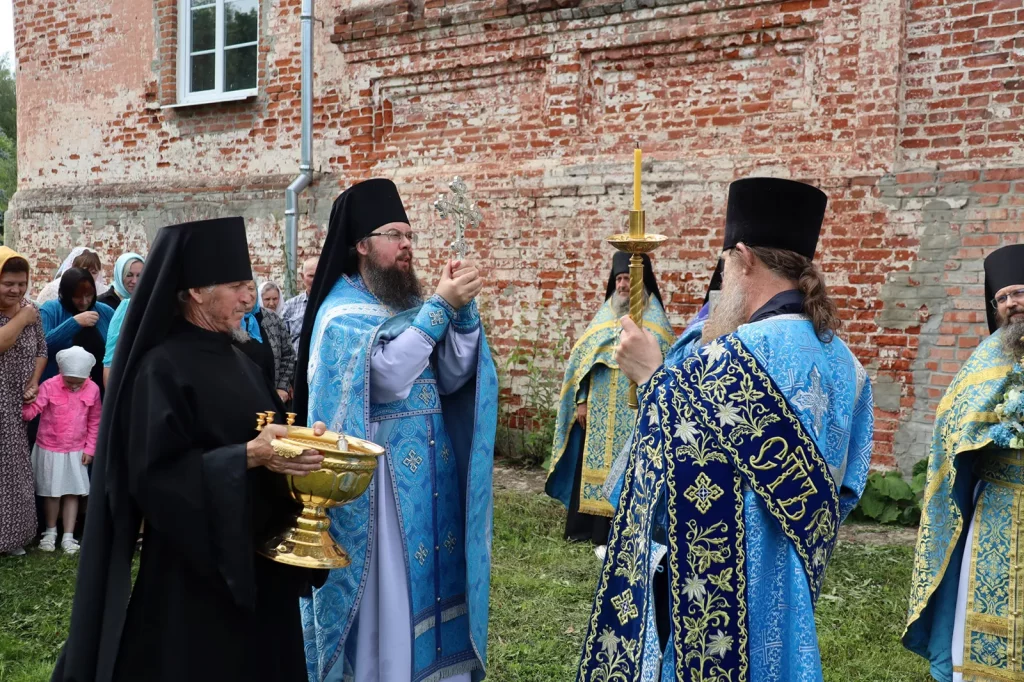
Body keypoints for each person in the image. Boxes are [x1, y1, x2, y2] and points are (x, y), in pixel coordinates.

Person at [576, 177, 875, 681]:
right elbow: (848, 482)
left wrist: (653, 377)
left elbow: (672, 467)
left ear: (743, 257)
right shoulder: (847, 363)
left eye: (726, 261)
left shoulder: (728, 357)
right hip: (794, 574)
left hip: (721, 582)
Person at [51, 217, 329, 682]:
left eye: (251, 285)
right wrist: (247, 457)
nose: (249, 298)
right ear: (197, 291)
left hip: (259, 568)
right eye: (238, 286)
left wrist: (298, 451)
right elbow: (152, 478)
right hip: (194, 582)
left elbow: (264, 437)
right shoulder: (160, 369)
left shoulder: (243, 358)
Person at [294, 179, 499, 682]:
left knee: (436, 587)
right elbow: (388, 377)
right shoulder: (340, 315)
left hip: (434, 476)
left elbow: (450, 375)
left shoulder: (404, 307)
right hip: (381, 492)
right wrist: (439, 309)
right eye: (393, 234)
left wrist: (462, 315)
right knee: (394, 601)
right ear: (361, 245)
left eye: (409, 234)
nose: (406, 244)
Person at [903, 244, 1024, 682]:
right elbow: (952, 425)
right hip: (997, 507)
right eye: (1004, 297)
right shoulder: (984, 358)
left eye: (1020, 292)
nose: (1013, 304)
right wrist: (984, 433)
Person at [546, 252, 673, 552]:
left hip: (634, 412)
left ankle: (625, 529)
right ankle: (587, 529)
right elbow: (581, 363)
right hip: (599, 410)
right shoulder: (604, 316)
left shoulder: (656, 323)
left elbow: (664, 364)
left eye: (629, 278)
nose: (623, 285)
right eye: (619, 279)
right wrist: (581, 401)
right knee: (592, 469)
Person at [22, 346, 101, 555]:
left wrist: (90, 448)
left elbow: (95, 421)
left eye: (79, 383)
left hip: (76, 449)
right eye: (69, 382)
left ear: (89, 376)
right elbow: (34, 410)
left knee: (73, 492)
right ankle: (50, 531)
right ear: (60, 372)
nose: (74, 386)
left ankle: (68, 534)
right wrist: (26, 402)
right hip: (50, 447)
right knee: (51, 492)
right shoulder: (49, 386)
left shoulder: (93, 390)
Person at [0, 247, 46, 557]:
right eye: (8, 283)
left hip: (15, 404)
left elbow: (42, 349)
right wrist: (21, 318)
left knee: (15, 469)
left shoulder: (32, 309)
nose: (16, 290)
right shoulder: (26, 313)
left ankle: (12, 536)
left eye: (21, 283)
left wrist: (34, 380)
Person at [39, 268, 115, 390]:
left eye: (89, 295)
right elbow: (41, 346)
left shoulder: (105, 312)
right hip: (57, 396)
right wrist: (74, 323)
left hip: (98, 394)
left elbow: (117, 347)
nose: (84, 302)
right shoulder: (50, 310)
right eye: (77, 297)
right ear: (66, 294)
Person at [101, 254, 147, 387]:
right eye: (129, 275)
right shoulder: (105, 303)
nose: (135, 281)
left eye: (139, 275)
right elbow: (110, 357)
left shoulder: (148, 303)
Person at [252, 280, 296, 403]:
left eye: (275, 299)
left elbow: (288, 354)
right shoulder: (238, 320)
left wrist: (283, 385)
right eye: (267, 299)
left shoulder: (275, 319)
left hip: (274, 389)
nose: (271, 303)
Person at [36, 247, 106, 306]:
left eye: (93, 272)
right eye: (83, 271)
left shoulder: (104, 292)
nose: (88, 276)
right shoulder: (52, 290)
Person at [279, 255, 319, 354]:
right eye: (311, 276)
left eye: (319, 275)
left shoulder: (331, 304)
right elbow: (281, 340)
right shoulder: (290, 306)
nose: (315, 280)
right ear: (302, 276)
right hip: (296, 364)